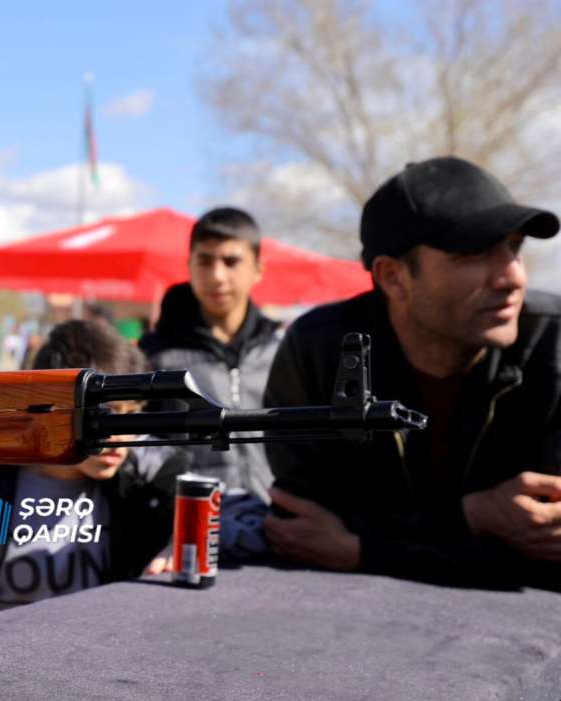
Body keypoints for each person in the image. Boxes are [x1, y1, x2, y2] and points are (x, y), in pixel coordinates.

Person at [262, 156, 561, 577]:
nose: (513, 277)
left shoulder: (553, 344)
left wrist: (367, 550)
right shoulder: (319, 350)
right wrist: (475, 515)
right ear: (393, 277)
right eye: (475, 252)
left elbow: (542, 553)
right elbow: (303, 529)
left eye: (515, 246)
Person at [0, 320, 187, 620]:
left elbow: (218, 505)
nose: (119, 436)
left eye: (131, 414)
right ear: (48, 406)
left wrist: (183, 539)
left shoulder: (142, 485)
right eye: (104, 415)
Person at [140, 207, 282, 500]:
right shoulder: (156, 354)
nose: (217, 276)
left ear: (258, 269)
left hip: (278, 518)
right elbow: (139, 445)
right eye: (205, 261)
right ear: (190, 266)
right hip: (188, 517)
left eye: (231, 262)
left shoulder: (282, 350)